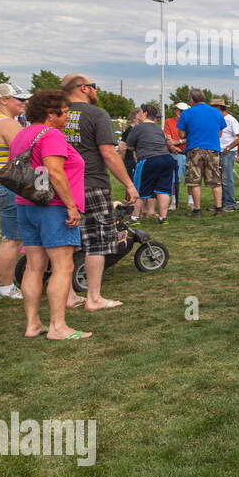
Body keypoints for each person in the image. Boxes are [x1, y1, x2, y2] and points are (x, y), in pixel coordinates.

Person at [12, 90, 90, 340]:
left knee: (34, 266)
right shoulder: (52, 134)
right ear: (50, 113)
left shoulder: (21, 134)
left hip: (26, 204)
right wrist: (70, 205)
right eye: (65, 112)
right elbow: (55, 172)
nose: (68, 116)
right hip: (53, 207)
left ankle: (32, 323)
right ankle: (58, 327)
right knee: (63, 266)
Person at [61, 73, 138, 311]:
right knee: (97, 240)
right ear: (84, 88)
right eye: (94, 86)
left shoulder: (55, 113)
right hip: (91, 182)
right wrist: (128, 183)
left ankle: (68, 295)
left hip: (60, 185)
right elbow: (108, 153)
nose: (96, 90)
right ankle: (93, 297)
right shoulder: (96, 114)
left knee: (64, 242)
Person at [0, 82, 31, 303]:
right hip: (7, 185)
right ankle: (7, 287)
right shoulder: (7, 124)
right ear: (3, 100)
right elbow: (27, 151)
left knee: (7, 236)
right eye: (19, 99)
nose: (23, 103)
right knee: (12, 240)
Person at [177, 89, 226, 216]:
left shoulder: (187, 113)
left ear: (192, 100)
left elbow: (181, 133)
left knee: (194, 181)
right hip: (213, 149)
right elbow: (220, 133)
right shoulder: (217, 113)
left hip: (194, 149)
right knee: (216, 181)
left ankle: (197, 210)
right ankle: (218, 209)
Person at [124, 104, 176, 223]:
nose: (139, 114)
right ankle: (163, 218)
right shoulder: (158, 128)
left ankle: (134, 217)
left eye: (141, 112)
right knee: (163, 189)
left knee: (139, 188)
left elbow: (129, 146)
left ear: (146, 113)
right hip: (166, 159)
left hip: (149, 159)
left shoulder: (138, 127)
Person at [213, 99, 239, 212]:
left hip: (227, 153)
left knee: (226, 179)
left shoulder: (231, 120)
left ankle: (230, 203)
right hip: (218, 151)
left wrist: (229, 147)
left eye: (214, 107)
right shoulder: (217, 119)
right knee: (218, 180)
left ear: (219, 108)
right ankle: (220, 203)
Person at [164, 102, 188, 208]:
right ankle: (173, 201)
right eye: (178, 110)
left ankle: (191, 202)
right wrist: (172, 146)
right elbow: (168, 138)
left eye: (182, 111)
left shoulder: (190, 122)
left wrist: (178, 142)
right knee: (174, 180)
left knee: (190, 180)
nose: (180, 112)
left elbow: (192, 137)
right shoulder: (169, 121)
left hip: (187, 153)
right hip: (174, 153)